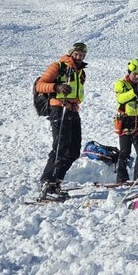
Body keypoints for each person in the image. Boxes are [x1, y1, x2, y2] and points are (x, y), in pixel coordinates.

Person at [37, 42, 88, 201]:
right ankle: (47, 182)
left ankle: (56, 181)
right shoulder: (58, 66)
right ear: (71, 53)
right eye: (77, 53)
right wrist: (57, 87)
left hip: (73, 110)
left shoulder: (80, 72)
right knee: (60, 146)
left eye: (82, 55)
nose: (79, 57)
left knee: (74, 150)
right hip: (59, 109)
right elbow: (40, 85)